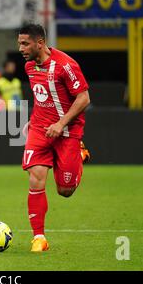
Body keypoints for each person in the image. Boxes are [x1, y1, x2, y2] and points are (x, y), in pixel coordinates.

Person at [18, 24, 91, 252]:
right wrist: (33, 119)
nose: (20, 48)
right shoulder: (30, 66)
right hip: (40, 130)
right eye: (19, 43)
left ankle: (78, 152)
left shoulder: (65, 65)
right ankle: (39, 238)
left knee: (65, 190)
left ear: (40, 43)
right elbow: (43, 97)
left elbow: (84, 98)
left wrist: (61, 123)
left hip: (67, 131)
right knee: (36, 178)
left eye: (25, 43)